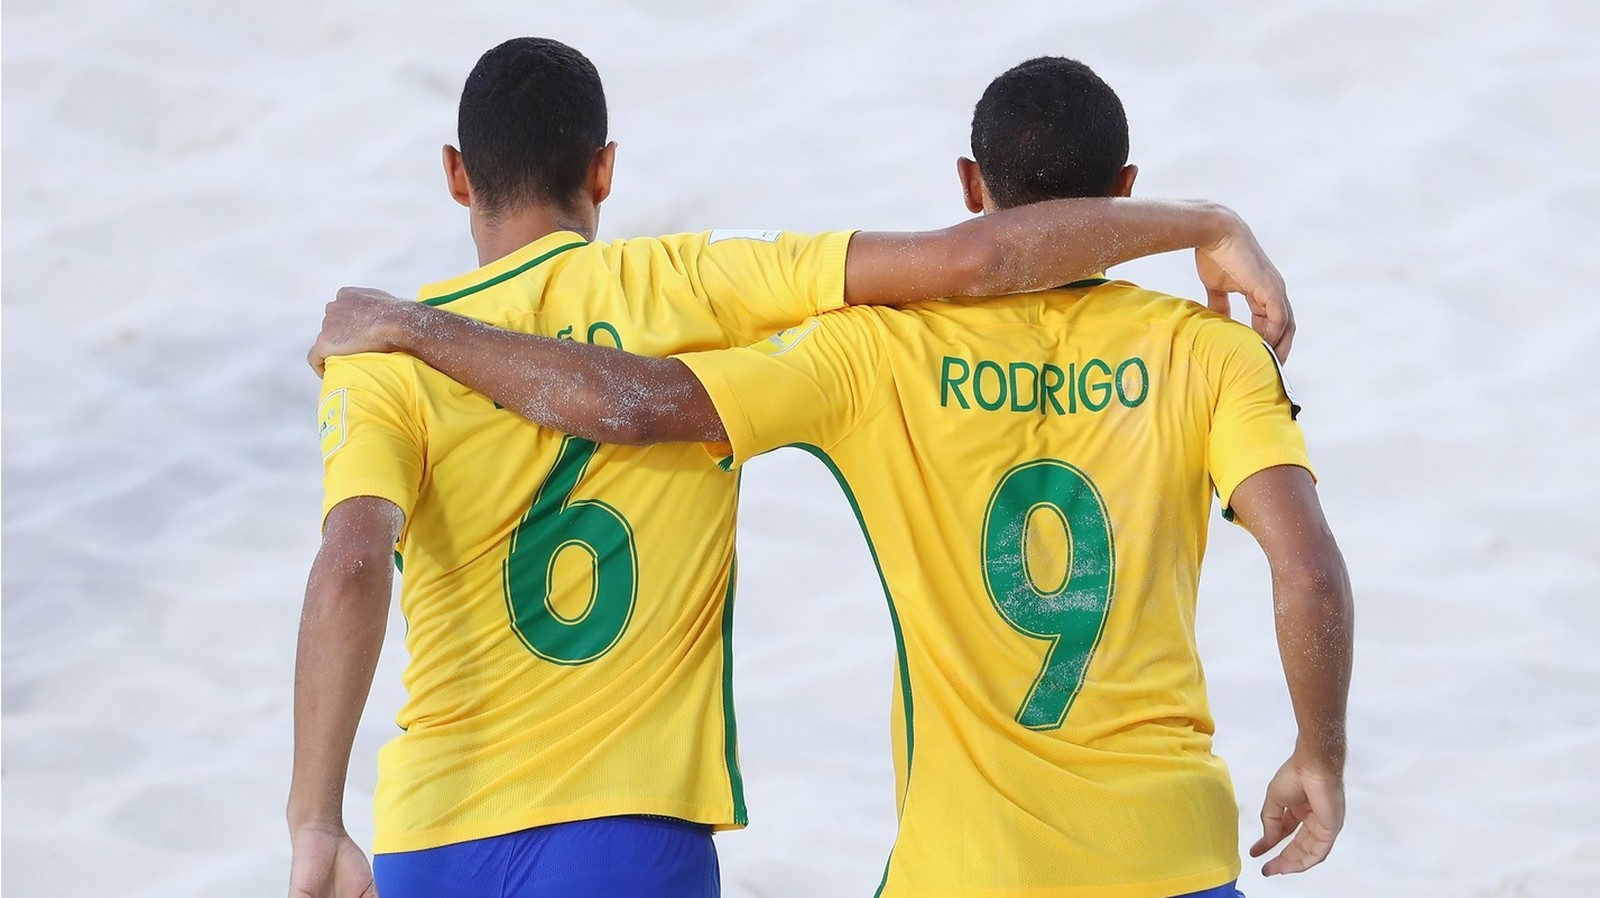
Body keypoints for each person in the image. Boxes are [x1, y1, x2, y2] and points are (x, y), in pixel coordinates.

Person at [310, 56, 1352, 898]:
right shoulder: (1207, 353)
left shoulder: (876, 355)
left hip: (948, 867)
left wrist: (413, 329)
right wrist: (1318, 753)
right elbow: (1305, 568)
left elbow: (620, 409)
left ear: (970, 188)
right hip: (1165, 852)